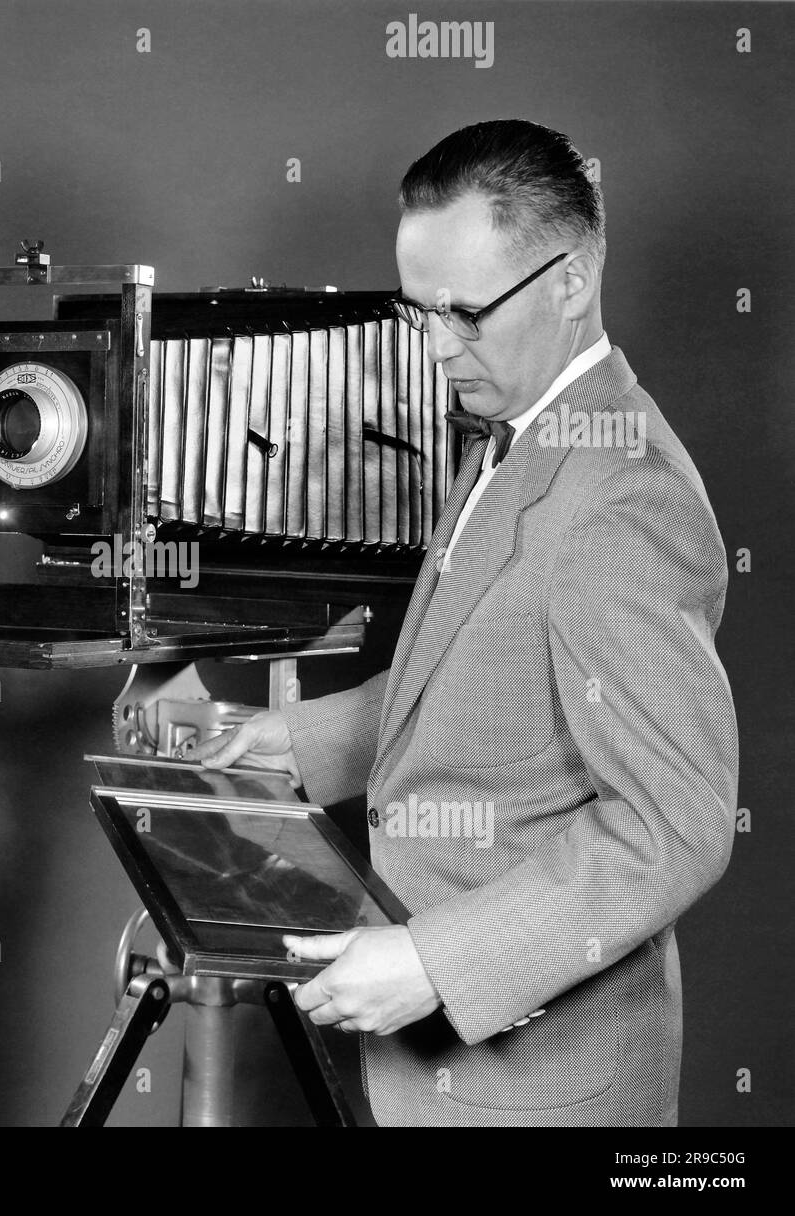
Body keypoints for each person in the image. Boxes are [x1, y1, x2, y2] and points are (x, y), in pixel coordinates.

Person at [193, 119, 737, 1127]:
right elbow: (474, 678)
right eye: (419, 312)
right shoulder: (514, 429)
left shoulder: (622, 498)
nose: (436, 348)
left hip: (538, 1091)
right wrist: (298, 740)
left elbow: (674, 825)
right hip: (445, 1081)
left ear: (570, 279)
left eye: (465, 313)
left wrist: (434, 961)